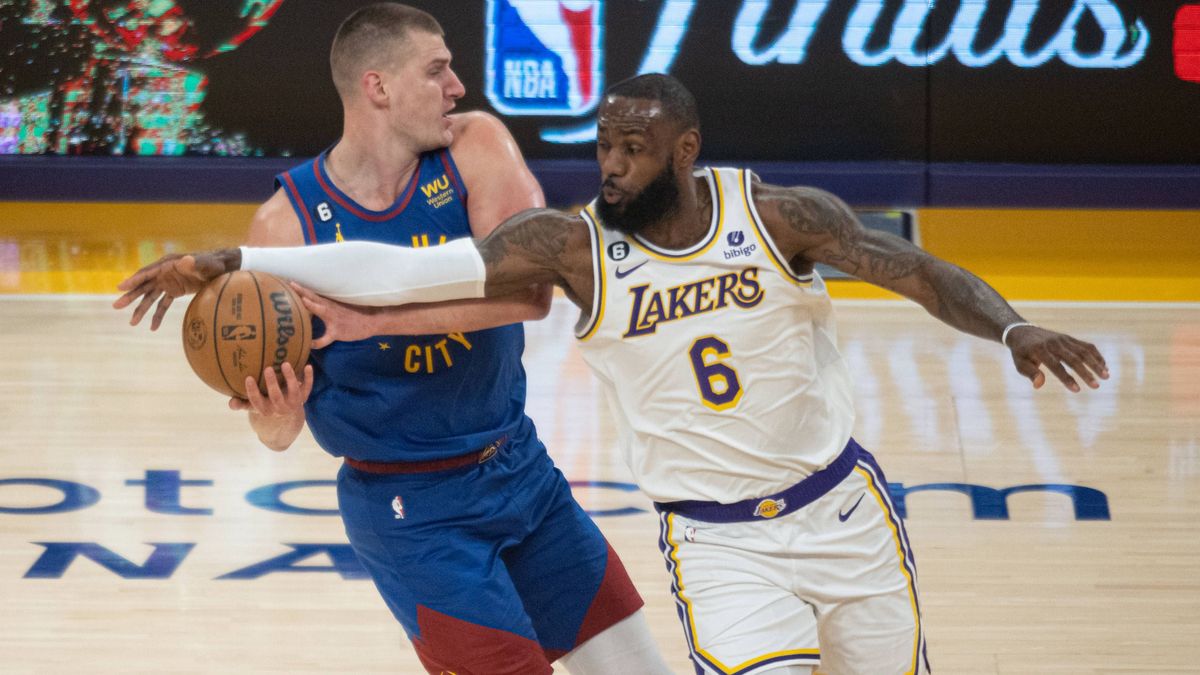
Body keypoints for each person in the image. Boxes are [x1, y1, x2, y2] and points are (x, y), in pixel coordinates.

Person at [117, 73, 1109, 675]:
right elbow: (399, 273)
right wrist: (237, 263)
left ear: (686, 150)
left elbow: (919, 272)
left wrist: (1013, 329)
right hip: (720, 544)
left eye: (634, 150)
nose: (613, 167)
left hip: (844, 510)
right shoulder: (571, 247)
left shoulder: (778, 217)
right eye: (603, 149)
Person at [115, 6, 672, 675]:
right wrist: (275, 410)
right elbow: (277, 435)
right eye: (437, 70)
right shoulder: (285, 227)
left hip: (521, 468)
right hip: (411, 512)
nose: (458, 86)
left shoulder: (475, 146)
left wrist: (374, 321)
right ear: (378, 87)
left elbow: (528, 292)